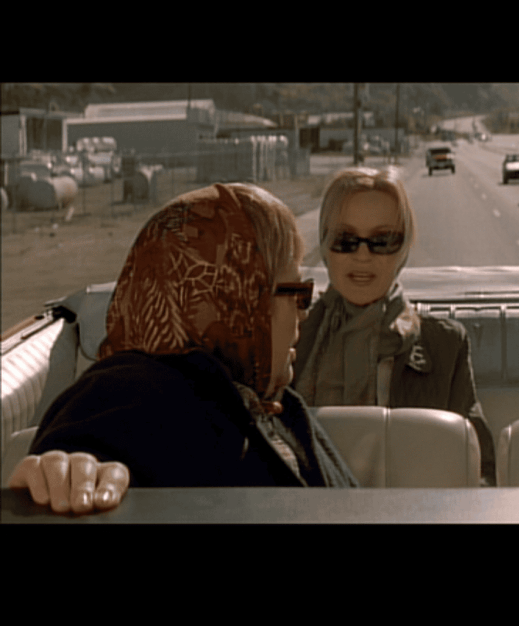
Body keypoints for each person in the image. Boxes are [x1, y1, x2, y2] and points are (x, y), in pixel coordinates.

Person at [9, 183, 358, 513]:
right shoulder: (130, 394)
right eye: (295, 292)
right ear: (237, 297)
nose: (303, 312)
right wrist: (72, 474)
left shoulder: (273, 406)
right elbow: (89, 457)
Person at [292, 166, 496, 485]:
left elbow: (478, 467)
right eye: (345, 240)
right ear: (325, 245)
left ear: (403, 249)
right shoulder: (289, 337)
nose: (363, 255)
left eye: (382, 240)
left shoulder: (445, 345)